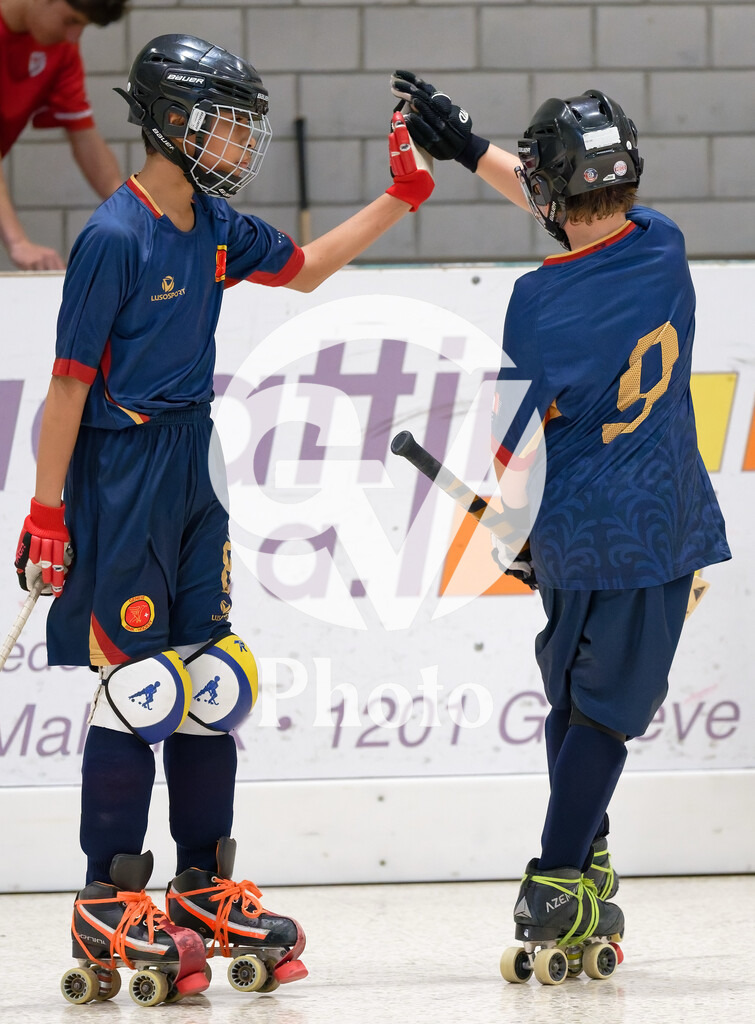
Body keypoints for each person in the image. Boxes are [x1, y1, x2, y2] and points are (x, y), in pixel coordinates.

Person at [14, 35, 433, 1006]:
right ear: (171, 120)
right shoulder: (113, 239)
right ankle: (108, 892)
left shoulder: (210, 223)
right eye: (227, 121)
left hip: (194, 458)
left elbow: (306, 269)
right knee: (139, 686)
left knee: (210, 677)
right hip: (117, 470)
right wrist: (45, 514)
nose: (241, 140)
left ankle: (200, 885)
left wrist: (400, 199)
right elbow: (68, 387)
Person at [390, 71, 731, 985]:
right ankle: (567, 870)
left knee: (578, 707)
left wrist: (514, 526)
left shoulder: (535, 304)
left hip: (578, 532)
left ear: (553, 192)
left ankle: (565, 866)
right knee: (602, 716)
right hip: (657, 526)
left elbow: (513, 444)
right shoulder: (664, 244)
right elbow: (571, 201)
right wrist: (469, 149)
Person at [0, 0, 127, 270]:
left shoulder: (61, 50)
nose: (73, 36)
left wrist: (138, 213)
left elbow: (84, 134)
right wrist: (18, 242)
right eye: (71, 21)